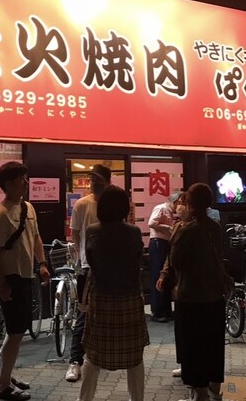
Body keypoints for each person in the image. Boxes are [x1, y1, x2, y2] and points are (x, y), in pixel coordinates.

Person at [76, 185, 149, 401]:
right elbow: (137, 260)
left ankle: (85, 399)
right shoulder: (133, 232)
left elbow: (91, 261)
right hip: (130, 297)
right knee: (134, 356)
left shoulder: (93, 231)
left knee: (94, 355)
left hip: (102, 297)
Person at [0, 162, 50, 401]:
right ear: (8, 183)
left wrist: (42, 264)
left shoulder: (28, 207)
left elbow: (35, 237)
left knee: (16, 330)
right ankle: (2, 387)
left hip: (26, 275)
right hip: (12, 278)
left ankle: (6, 375)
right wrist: (2, 284)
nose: (26, 183)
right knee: (16, 331)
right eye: (21, 179)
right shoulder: (0, 215)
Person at [167, 183, 227, 401]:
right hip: (215, 294)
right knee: (213, 344)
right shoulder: (215, 227)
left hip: (191, 295)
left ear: (190, 204)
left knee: (193, 345)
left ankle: (199, 394)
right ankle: (215, 391)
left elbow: (175, 261)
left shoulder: (187, 230)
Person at [65, 164, 111, 383]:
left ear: (108, 182)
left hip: (110, 266)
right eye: (92, 179)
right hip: (87, 266)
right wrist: (80, 257)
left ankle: (101, 356)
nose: (94, 183)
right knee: (84, 314)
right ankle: (75, 361)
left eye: (98, 179)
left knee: (107, 312)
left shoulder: (113, 203)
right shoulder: (82, 204)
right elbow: (75, 233)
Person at [157, 191, 189, 379]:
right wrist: (164, 274)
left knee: (191, 328)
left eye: (183, 203)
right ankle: (185, 364)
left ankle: (193, 368)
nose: (179, 206)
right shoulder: (177, 226)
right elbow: (171, 255)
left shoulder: (200, 227)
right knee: (181, 328)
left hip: (193, 286)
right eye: (178, 203)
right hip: (179, 284)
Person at [147, 191, 181, 322]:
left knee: (167, 276)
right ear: (174, 202)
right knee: (158, 274)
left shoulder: (171, 213)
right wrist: (167, 227)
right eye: (178, 203)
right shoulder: (161, 208)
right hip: (158, 243)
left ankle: (166, 310)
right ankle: (157, 311)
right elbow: (151, 223)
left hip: (166, 243)